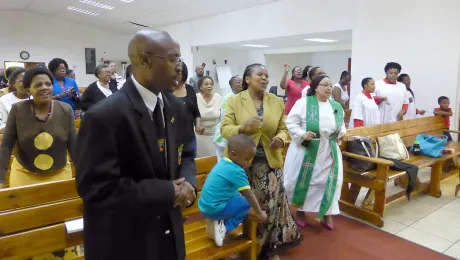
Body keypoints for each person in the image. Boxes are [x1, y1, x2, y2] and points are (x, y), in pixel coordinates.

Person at [76, 29, 196, 260]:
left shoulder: (176, 107)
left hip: (169, 234)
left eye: (179, 58)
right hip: (127, 239)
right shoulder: (104, 116)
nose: (179, 66)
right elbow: (98, 189)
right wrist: (168, 191)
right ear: (144, 60)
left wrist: (189, 182)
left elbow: (188, 152)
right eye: (172, 58)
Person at [221, 63, 302, 260]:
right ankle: (243, 246)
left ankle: (265, 248)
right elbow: (225, 129)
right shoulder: (235, 100)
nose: (265, 78)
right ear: (247, 79)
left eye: (267, 75)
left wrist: (281, 138)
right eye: (260, 75)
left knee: (269, 209)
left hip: (269, 165)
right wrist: (243, 127)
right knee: (244, 207)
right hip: (241, 165)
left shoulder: (276, 101)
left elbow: (283, 128)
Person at [284, 75, 346, 230]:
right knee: (305, 180)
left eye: (331, 85)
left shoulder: (335, 106)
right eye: (325, 85)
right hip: (308, 148)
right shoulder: (304, 103)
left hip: (329, 150)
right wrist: (301, 133)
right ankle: (300, 211)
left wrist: (342, 133)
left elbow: (342, 124)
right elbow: (290, 122)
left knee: (330, 182)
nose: (329, 88)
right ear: (316, 87)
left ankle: (327, 213)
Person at [199, 134, 268, 247]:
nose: (248, 163)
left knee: (237, 196)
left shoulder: (223, 162)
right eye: (246, 159)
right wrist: (260, 213)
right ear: (234, 154)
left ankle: (217, 222)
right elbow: (249, 195)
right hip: (214, 210)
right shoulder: (237, 171)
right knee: (246, 204)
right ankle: (225, 228)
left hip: (205, 208)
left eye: (250, 159)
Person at [173, 62, 202, 157]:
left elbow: (196, 112)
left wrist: (197, 126)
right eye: (173, 71)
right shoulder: (165, 91)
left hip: (189, 138)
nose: (176, 75)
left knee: (190, 167)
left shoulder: (190, 89)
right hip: (171, 139)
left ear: (184, 73)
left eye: (179, 72)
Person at [214, 75, 243, 160]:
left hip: (235, 136)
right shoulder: (229, 97)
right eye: (238, 82)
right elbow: (225, 118)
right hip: (224, 137)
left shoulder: (242, 97)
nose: (241, 84)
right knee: (225, 162)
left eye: (242, 81)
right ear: (232, 86)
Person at [196, 76, 221, 158]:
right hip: (199, 137)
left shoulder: (218, 97)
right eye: (206, 84)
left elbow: (222, 117)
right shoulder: (196, 98)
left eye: (211, 84)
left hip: (215, 137)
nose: (209, 86)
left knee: (215, 162)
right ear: (200, 87)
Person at [0, 68, 30, 132]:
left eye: (28, 81)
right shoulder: (4, 100)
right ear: (13, 83)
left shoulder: (36, 98)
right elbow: (1, 125)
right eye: (22, 81)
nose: (26, 83)